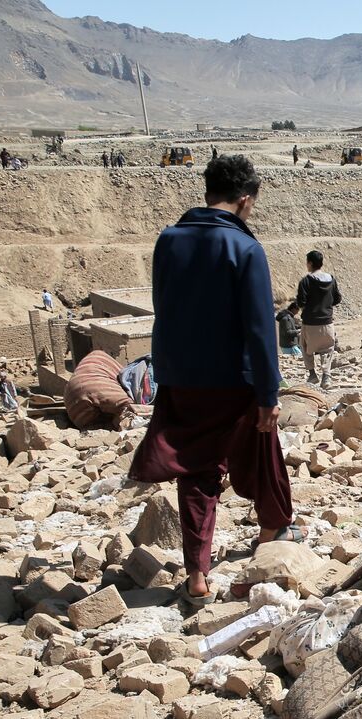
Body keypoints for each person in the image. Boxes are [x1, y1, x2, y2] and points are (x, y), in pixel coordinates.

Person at [128, 154, 298, 607]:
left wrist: (167, 371)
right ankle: (272, 528)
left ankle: (197, 572)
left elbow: (164, 307)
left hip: (182, 376)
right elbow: (260, 327)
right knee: (263, 447)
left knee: (196, 472)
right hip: (234, 380)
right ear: (245, 200)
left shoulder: (168, 240)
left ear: (208, 193)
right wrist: (268, 392)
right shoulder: (245, 248)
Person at [294, 249, 342, 388]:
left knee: (305, 347)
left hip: (310, 322)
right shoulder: (331, 279)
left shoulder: (305, 281)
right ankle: (326, 376)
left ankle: (312, 374)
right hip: (327, 322)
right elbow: (337, 298)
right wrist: (326, 305)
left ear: (309, 263)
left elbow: (301, 302)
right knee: (328, 349)